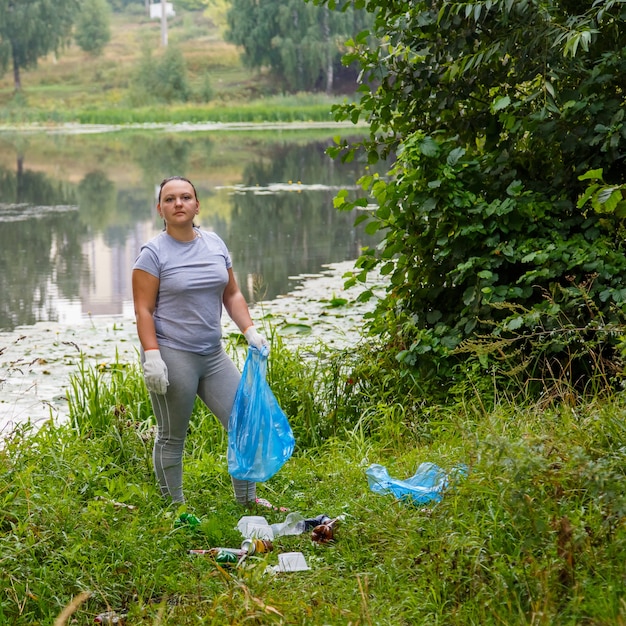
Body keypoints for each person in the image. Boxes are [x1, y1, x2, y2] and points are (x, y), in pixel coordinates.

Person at [132, 175, 269, 506]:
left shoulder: (215, 244)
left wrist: (249, 331)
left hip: (213, 354)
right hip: (171, 353)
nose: (178, 203)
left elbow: (232, 292)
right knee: (171, 436)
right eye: (170, 199)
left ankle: (246, 501)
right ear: (160, 209)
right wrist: (153, 356)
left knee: (244, 421)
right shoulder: (152, 254)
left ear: (197, 205)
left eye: (185, 197)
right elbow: (143, 310)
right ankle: (174, 508)